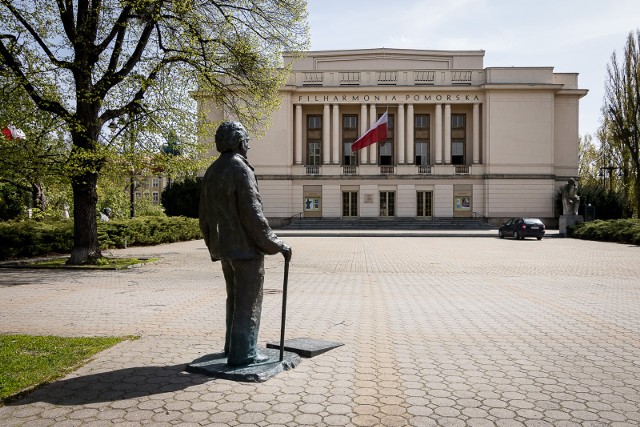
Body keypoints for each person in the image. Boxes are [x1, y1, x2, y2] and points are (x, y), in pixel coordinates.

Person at [199, 121, 291, 366]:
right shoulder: (241, 169)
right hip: (245, 249)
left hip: (225, 248)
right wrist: (276, 244)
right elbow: (252, 214)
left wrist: (214, 246)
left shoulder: (212, 170)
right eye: (247, 140)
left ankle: (232, 347)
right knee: (248, 301)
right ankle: (245, 353)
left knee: (234, 298)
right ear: (240, 141)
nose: (248, 144)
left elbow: (204, 216)